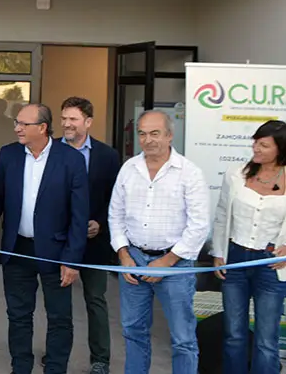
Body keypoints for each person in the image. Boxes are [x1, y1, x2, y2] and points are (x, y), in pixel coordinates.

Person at [0, 103, 88, 374]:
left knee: (59, 318)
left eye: (24, 124)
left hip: (56, 251)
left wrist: (72, 260)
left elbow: (79, 215)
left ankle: (55, 368)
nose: (17, 128)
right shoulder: (9, 154)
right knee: (19, 315)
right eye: (17, 122)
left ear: (43, 127)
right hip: (17, 248)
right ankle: (20, 367)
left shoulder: (70, 159)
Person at [108, 110, 209, 374]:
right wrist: (123, 254)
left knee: (183, 338)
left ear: (169, 135)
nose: (148, 140)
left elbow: (199, 225)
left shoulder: (189, 172)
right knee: (133, 331)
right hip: (133, 260)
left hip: (175, 264)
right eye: (142, 133)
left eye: (155, 133)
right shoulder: (129, 169)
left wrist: (167, 261)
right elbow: (115, 214)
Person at [211, 120, 286, 374]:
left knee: (266, 339)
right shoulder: (236, 174)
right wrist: (218, 253)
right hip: (235, 259)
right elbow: (222, 214)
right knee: (234, 334)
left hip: (271, 265)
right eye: (255, 142)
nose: (256, 148)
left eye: (264, 145)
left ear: (280, 148)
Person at [58, 97, 120, 374]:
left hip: (94, 242)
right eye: (64, 118)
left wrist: (101, 223)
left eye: (73, 119)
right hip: (59, 241)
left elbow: (116, 198)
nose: (67, 124)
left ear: (88, 122)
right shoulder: (51, 151)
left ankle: (100, 359)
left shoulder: (108, 156)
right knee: (58, 303)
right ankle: (57, 353)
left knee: (95, 300)